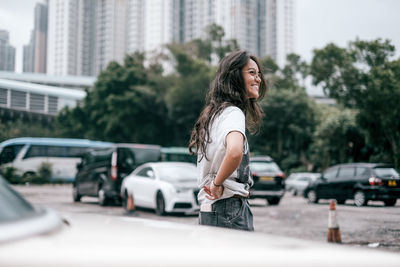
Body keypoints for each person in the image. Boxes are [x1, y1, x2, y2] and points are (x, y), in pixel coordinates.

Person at [189, 50, 267, 231]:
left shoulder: (214, 114)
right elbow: (234, 152)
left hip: (211, 209)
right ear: (235, 76)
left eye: (259, 74)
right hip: (228, 208)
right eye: (252, 73)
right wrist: (217, 184)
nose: (259, 79)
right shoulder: (233, 113)